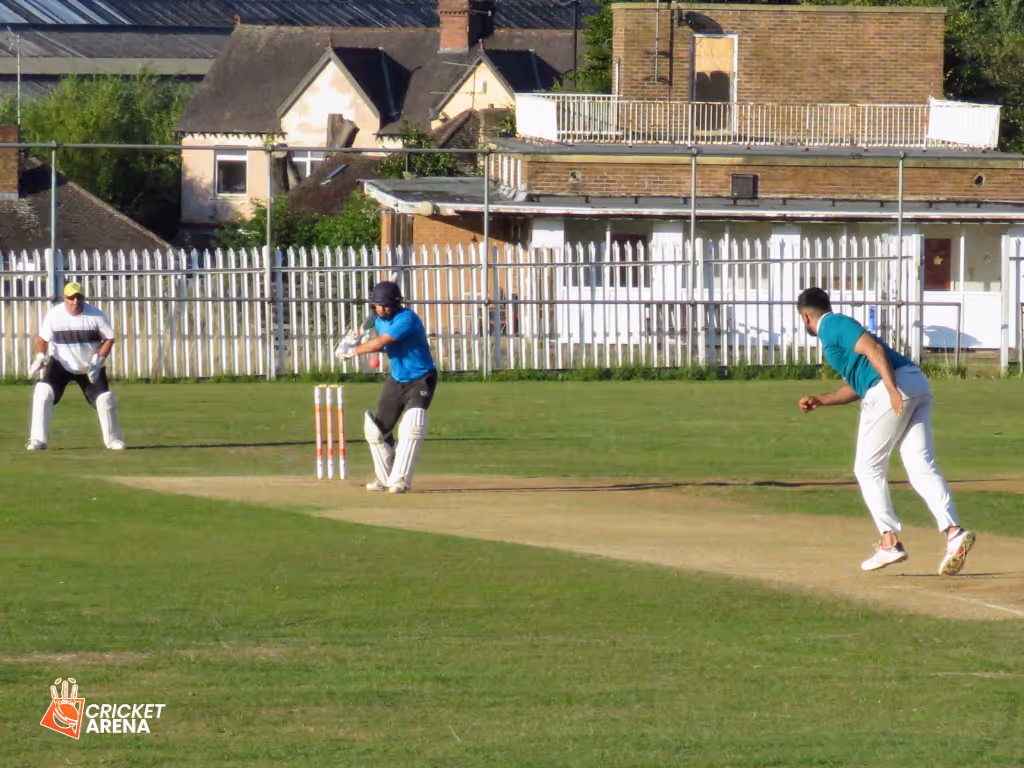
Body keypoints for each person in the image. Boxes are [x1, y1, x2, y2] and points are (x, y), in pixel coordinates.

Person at [795, 287, 974, 575]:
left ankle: (889, 542)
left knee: (867, 468)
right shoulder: (835, 331)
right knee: (920, 466)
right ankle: (954, 533)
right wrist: (822, 400)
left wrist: (891, 390)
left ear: (805, 317)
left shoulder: (833, 324)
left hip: (893, 387)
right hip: (915, 383)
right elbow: (859, 382)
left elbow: (874, 350)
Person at [334, 280, 436, 493]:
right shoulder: (377, 319)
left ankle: (400, 481)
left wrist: (354, 351)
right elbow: (378, 336)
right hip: (397, 379)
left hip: (421, 378)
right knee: (377, 431)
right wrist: (354, 339)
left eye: (387, 305)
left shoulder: (407, 318)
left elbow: (381, 342)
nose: (382, 309)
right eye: (379, 305)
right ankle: (385, 477)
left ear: (397, 304)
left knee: (412, 427)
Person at [26, 281, 125, 451]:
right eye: (71, 298)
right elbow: (43, 338)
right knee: (43, 392)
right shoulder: (54, 315)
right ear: (64, 298)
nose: (75, 302)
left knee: (104, 399)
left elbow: (109, 338)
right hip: (61, 364)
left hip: (89, 366)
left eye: (79, 298)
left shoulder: (96, 315)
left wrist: (99, 359)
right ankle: (37, 440)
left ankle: (113, 440)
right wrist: (41, 356)